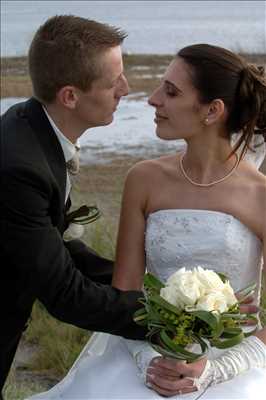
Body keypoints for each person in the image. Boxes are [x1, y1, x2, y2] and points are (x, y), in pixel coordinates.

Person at [26, 43, 266, 399]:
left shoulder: (259, 194)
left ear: (212, 110)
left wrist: (214, 371)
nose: (153, 99)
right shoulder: (144, 179)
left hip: (235, 362)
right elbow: (125, 291)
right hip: (144, 346)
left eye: (170, 91)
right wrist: (150, 362)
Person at [0, 15, 149, 397]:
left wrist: (147, 287)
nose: (126, 89)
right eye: (113, 81)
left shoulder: (30, 126)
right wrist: (168, 318)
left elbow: (57, 247)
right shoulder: (20, 166)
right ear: (70, 96)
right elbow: (64, 294)